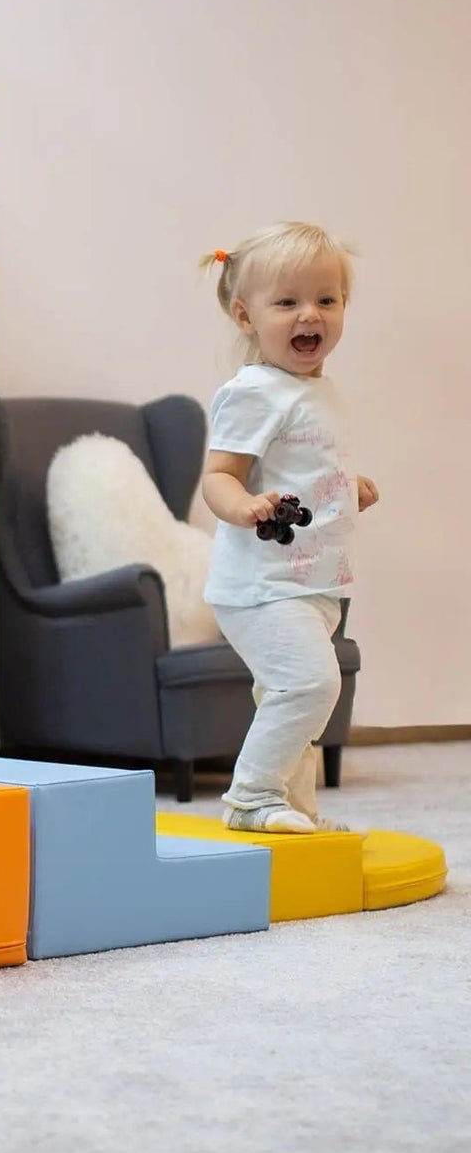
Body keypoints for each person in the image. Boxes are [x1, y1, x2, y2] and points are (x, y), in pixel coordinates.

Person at [199, 222, 379, 834]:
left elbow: (306, 466)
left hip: (315, 582)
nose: (311, 315)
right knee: (308, 685)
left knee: (292, 700)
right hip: (262, 584)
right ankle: (250, 798)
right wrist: (243, 505)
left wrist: (348, 489)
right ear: (246, 314)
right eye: (288, 302)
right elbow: (219, 476)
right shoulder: (253, 391)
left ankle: (295, 811)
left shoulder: (316, 389)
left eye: (327, 300)